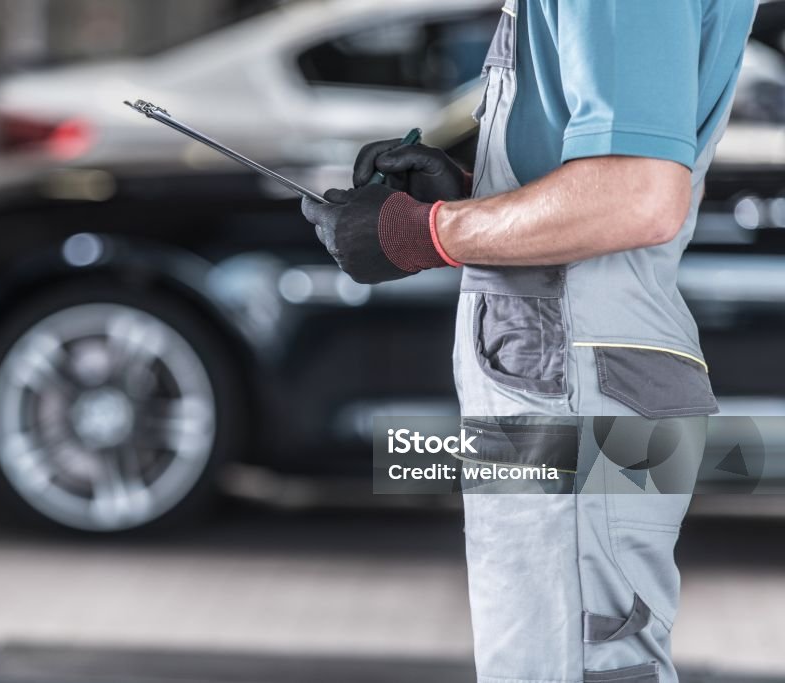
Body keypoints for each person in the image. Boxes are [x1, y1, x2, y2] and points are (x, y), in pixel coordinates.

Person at [300, 2, 758, 682]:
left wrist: (425, 231)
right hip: (578, 360)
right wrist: (462, 193)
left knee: (567, 665)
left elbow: (638, 194)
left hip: (577, 368)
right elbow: (607, 165)